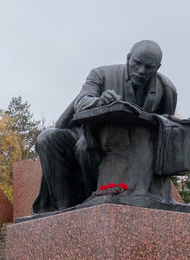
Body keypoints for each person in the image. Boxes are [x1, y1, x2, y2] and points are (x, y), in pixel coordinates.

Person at [32, 40, 178, 213]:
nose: (141, 71)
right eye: (137, 64)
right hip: (88, 134)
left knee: (86, 146)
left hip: (131, 150)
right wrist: (99, 102)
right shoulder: (101, 75)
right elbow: (82, 102)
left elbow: (165, 131)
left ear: (158, 67)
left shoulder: (166, 89)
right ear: (129, 58)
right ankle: (63, 208)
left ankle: (94, 202)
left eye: (149, 67)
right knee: (48, 138)